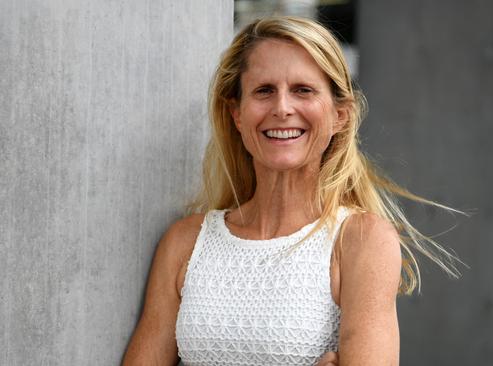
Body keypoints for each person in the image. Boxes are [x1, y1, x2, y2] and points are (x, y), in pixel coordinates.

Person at [123, 15, 461, 366]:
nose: (282, 108)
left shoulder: (360, 241)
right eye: (264, 90)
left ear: (340, 116)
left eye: (303, 90)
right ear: (237, 114)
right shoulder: (184, 243)